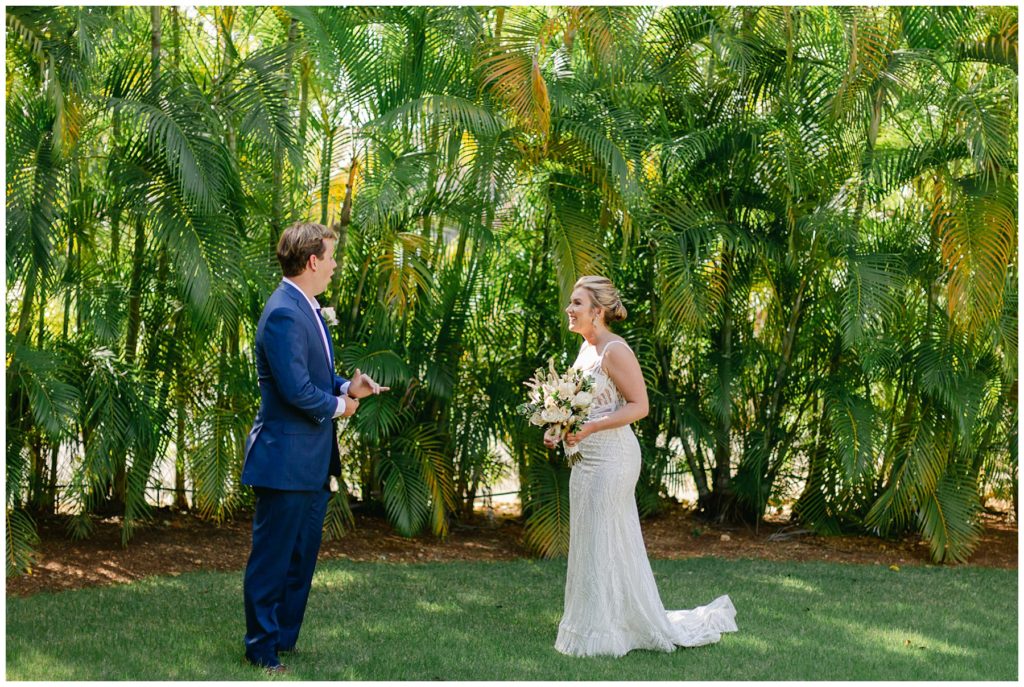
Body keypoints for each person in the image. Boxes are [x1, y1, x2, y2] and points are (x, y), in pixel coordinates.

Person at [547, 275, 737, 657]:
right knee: (591, 540)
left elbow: (640, 406)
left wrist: (590, 427)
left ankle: (604, 632)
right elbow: (579, 406)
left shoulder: (614, 350)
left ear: (598, 312)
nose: (570, 309)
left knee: (603, 538)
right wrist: (557, 428)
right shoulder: (585, 350)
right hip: (585, 459)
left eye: (577, 304)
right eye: (571, 303)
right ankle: (595, 622)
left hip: (613, 459)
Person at [241, 221, 388, 673]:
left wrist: (349, 385)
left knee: (300, 556)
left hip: (309, 460)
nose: (334, 264)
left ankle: (282, 638)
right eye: (330, 257)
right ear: (311, 261)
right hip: (284, 459)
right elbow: (296, 390)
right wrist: (343, 406)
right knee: (273, 558)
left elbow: (316, 377)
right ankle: (260, 647)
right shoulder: (284, 311)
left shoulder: (306, 306)